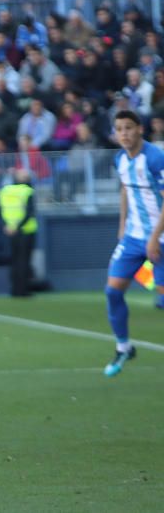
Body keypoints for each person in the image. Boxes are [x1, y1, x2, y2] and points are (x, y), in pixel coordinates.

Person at [103, 110, 164, 377]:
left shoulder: (154, 158)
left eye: (128, 128)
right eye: (119, 129)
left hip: (160, 238)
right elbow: (126, 189)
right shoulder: (120, 159)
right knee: (113, 291)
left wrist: (154, 238)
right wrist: (122, 225)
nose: (124, 133)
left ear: (140, 129)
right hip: (133, 237)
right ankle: (124, 346)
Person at [0, 169, 36, 297]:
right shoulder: (27, 191)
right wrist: (18, 226)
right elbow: (29, 212)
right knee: (24, 261)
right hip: (25, 230)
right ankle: (23, 290)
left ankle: (14, 289)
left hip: (9, 231)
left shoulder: (4, 191)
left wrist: (7, 226)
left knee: (14, 260)